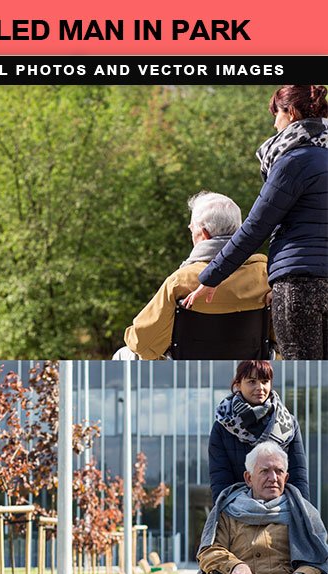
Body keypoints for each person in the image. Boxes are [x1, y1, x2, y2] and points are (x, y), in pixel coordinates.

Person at [183, 84, 328, 359]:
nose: (275, 123)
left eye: (277, 114)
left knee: (304, 376)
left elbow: (255, 228)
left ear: (292, 113)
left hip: (299, 287)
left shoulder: (294, 161)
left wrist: (211, 278)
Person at [118, 192, 270, 360]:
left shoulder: (181, 281)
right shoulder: (267, 274)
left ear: (204, 234)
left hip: (187, 369)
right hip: (251, 366)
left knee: (122, 355)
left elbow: (143, 345)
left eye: (191, 228)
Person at [198, 440, 328, 574]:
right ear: (248, 478)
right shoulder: (228, 511)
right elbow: (209, 551)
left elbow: (321, 554)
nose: (273, 478)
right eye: (265, 471)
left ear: (286, 478)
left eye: (279, 471)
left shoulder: (305, 512)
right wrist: (236, 565)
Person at [208, 361, 310, 503]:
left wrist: (303, 515)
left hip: (281, 509)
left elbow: (298, 475)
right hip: (238, 511)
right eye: (252, 381)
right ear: (238, 385)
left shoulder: (288, 424)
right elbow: (220, 479)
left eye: (264, 381)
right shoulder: (223, 424)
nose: (260, 388)